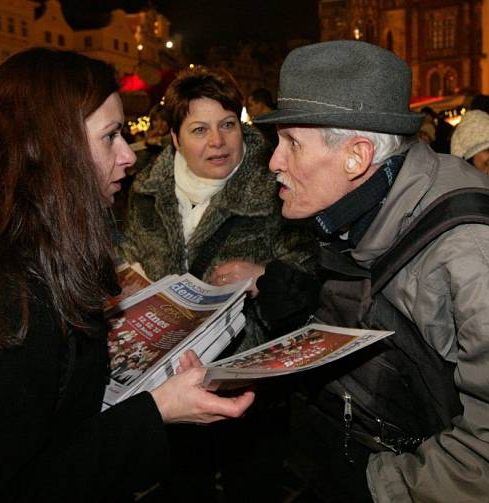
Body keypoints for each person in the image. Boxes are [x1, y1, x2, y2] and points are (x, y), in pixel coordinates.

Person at [0, 48, 254, 502]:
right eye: (110, 136)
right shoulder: (3, 292)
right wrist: (156, 413)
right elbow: (12, 486)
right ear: (54, 146)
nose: (128, 156)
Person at [252, 40, 489, 502]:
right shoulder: (385, 206)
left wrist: (377, 488)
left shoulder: (473, 261)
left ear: (356, 157)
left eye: (291, 143)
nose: (273, 162)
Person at [120, 66, 316, 502]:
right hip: (169, 386)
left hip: (248, 387)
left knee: (252, 488)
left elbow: (309, 278)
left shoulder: (277, 185)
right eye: (199, 129)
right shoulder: (146, 193)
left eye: (228, 124)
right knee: (182, 489)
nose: (218, 141)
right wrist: (130, 285)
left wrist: (265, 278)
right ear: (174, 138)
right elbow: (127, 252)